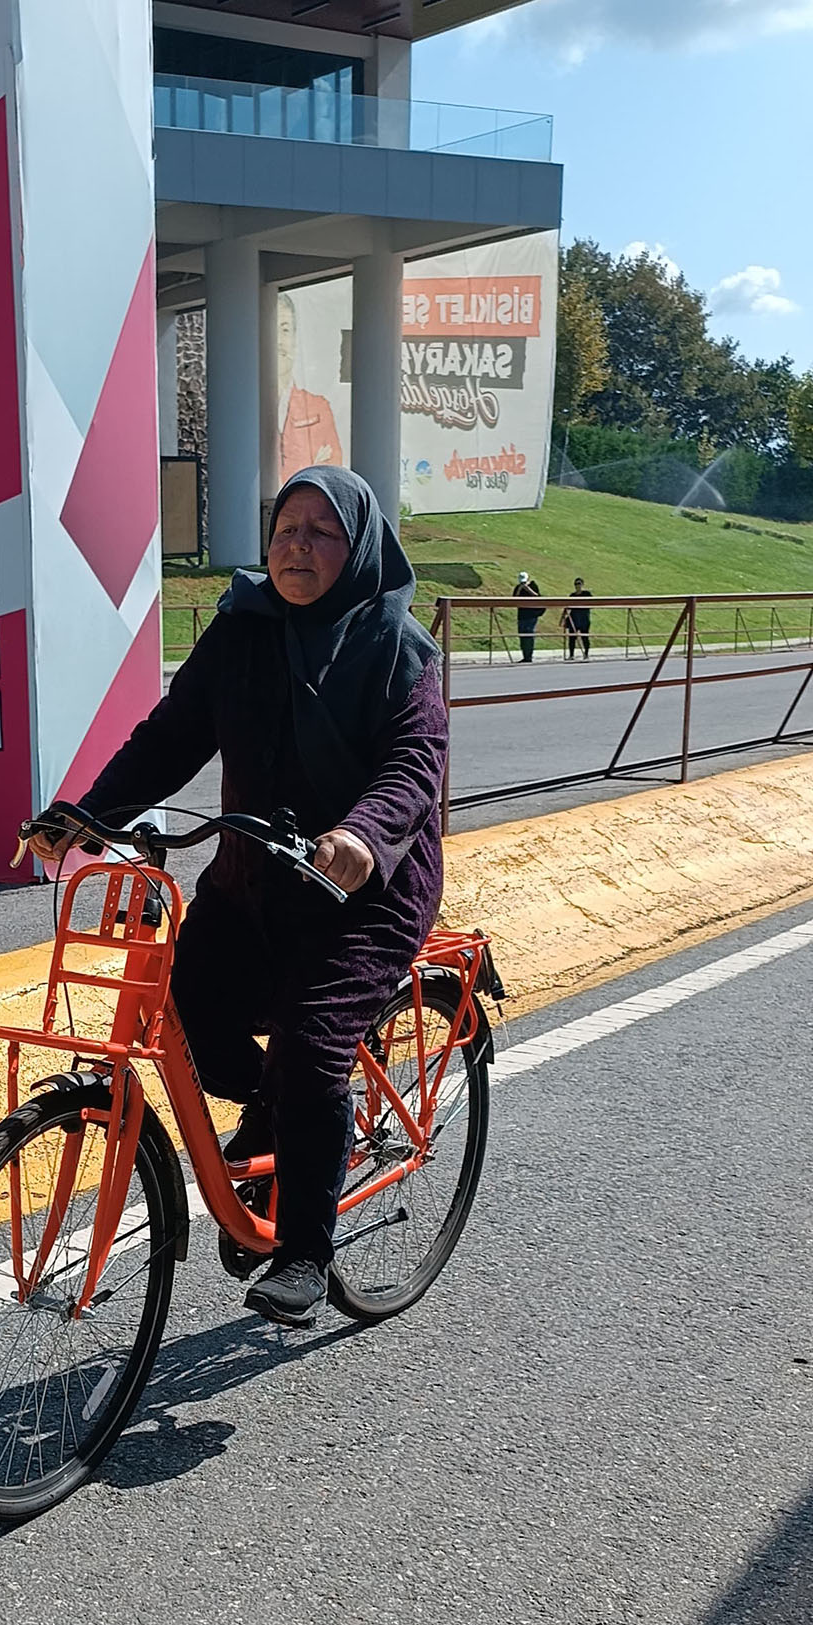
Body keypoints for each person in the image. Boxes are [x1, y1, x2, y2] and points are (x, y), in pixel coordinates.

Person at [36, 467, 448, 1327]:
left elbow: (414, 768)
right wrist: (86, 815)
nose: (297, 545)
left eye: (321, 532)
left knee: (312, 1044)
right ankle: (280, 1110)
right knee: (185, 1009)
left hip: (363, 893)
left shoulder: (398, 648)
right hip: (255, 876)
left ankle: (304, 1246)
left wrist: (362, 837)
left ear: (360, 548)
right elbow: (171, 735)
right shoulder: (243, 629)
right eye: (286, 528)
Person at [513, 572, 544, 662]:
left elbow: (537, 596)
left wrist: (528, 589)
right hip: (522, 615)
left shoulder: (533, 585)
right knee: (522, 635)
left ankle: (529, 656)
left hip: (531, 615)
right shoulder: (517, 587)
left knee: (529, 634)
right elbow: (514, 599)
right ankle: (525, 655)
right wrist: (520, 589)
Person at [564, 577, 592, 659]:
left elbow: (592, 603)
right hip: (574, 619)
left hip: (584, 619)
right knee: (572, 638)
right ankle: (571, 655)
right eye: (576, 584)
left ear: (582, 584)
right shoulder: (572, 596)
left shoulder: (587, 594)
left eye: (579, 583)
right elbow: (568, 607)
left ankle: (586, 654)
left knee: (585, 637)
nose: (577, 586)